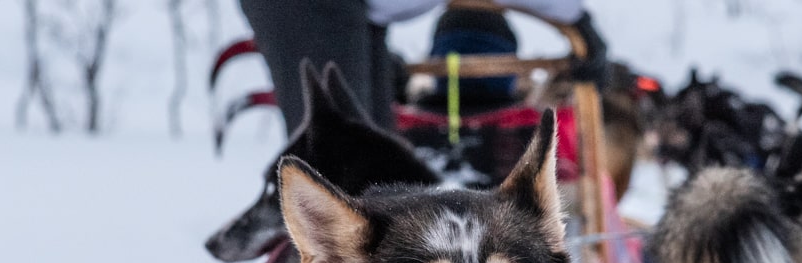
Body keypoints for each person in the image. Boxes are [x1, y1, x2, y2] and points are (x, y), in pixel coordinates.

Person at [239, 0, 609, 136]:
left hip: (354, 15)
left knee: (374, 174)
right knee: (339, 174)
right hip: (313, 9)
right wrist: (577, 20)